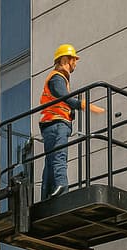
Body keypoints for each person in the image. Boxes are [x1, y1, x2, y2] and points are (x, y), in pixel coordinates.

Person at [39, 44, 105, 200]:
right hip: (57, 123)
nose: (75, 63)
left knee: (50, 160)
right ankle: (61, 188)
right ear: (65, 60)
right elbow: (64, 97)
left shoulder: (56, 77)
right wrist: (84, 105)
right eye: (73, 59)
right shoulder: (57, 78)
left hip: (50, 123)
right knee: (59, 156)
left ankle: (46, 194)